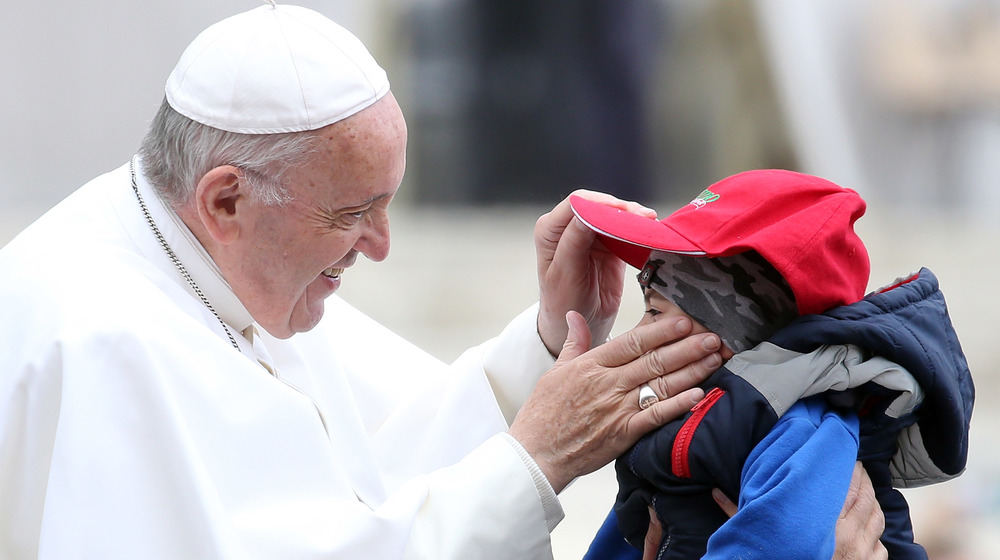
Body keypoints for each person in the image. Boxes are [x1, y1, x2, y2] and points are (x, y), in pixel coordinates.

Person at [0, 4, 885, 559]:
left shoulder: (214, 255)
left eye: (389, 203)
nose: (380, 245)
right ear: (226, 197)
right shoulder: (98, 341)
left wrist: (548, 344)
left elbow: (363, 475)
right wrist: (533, 462)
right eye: (351, 213)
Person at [570, 170, 974, 560]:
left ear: (733, 337)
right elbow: (625, 537)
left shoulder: (803, 425)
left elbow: (789, 543)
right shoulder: (697, 422)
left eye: (655, 313)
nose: (639, 335)